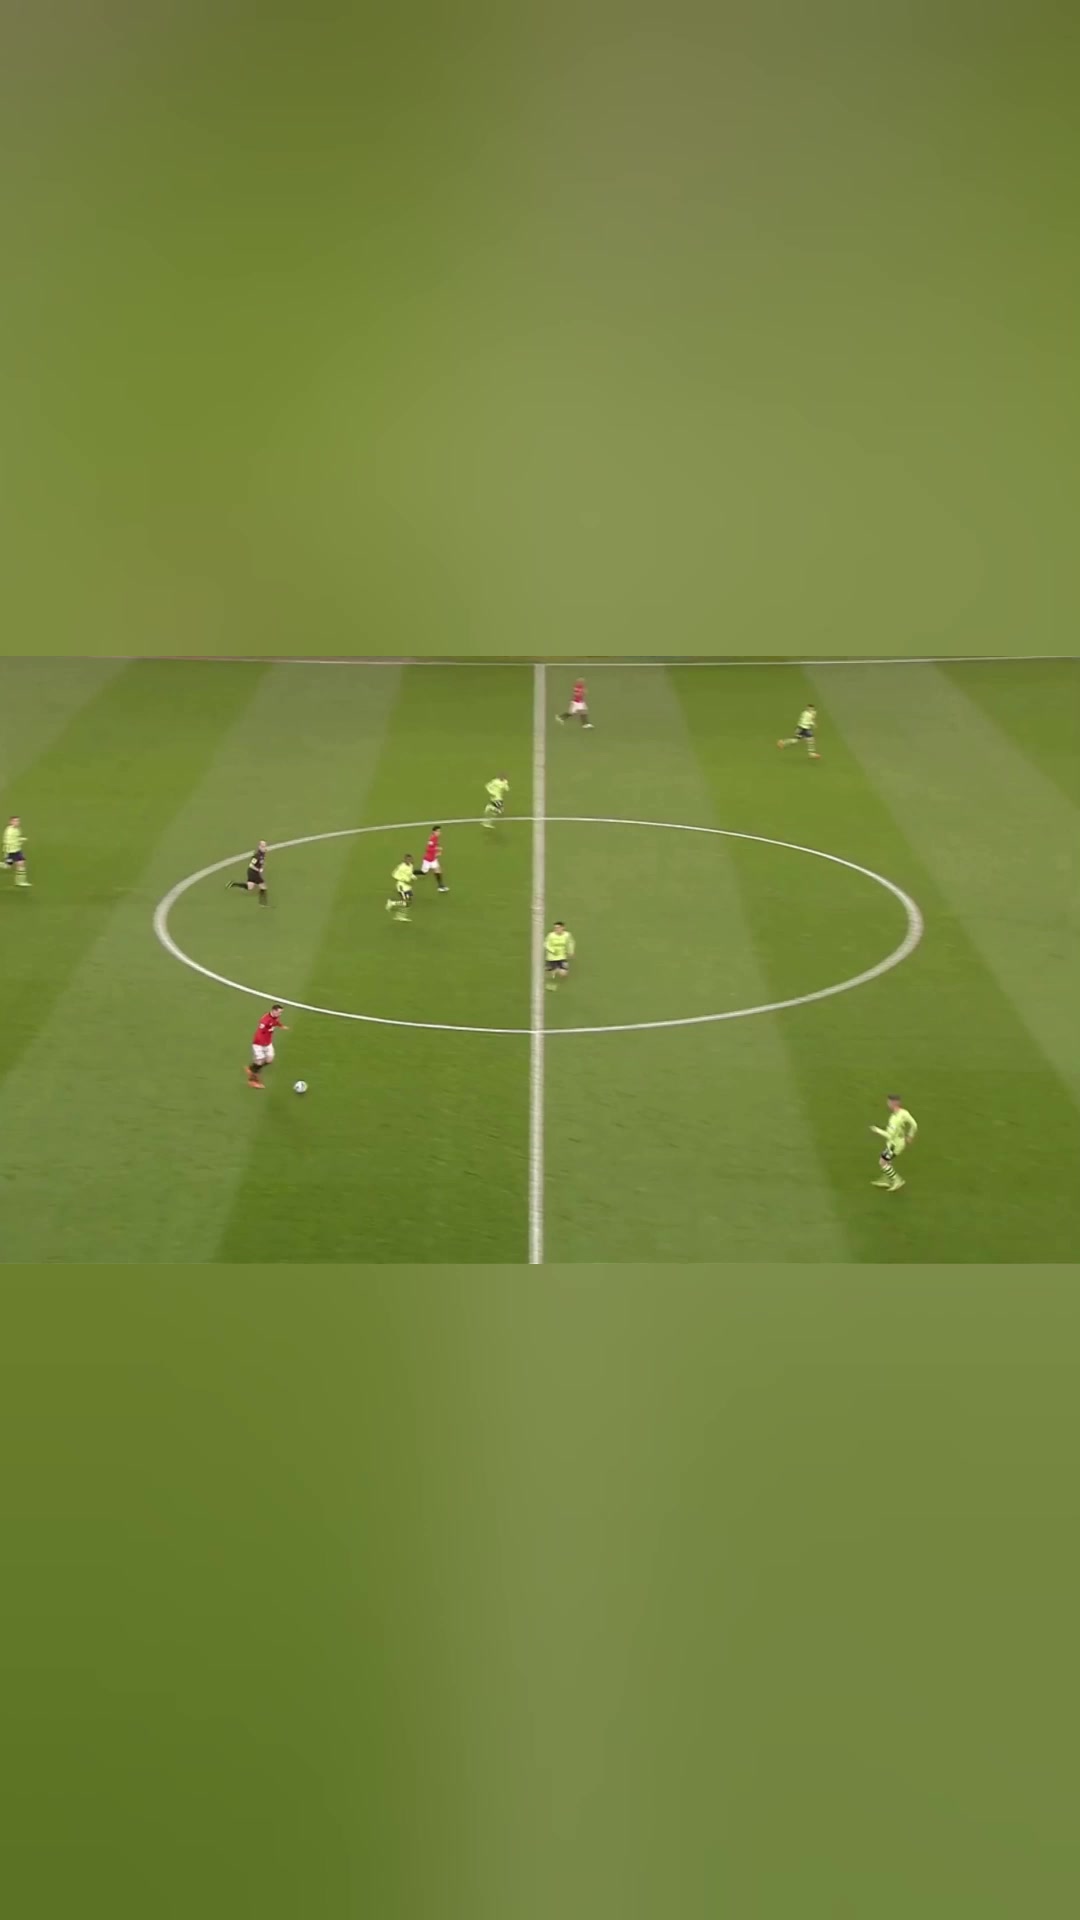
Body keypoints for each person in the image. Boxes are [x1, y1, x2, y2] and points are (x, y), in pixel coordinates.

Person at [870, 1095, 918, 1190]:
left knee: (883, 1162)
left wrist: (876, 1130)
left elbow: (889, 1135)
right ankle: (887, 1179)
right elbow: (914, 1124)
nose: (887, 1104)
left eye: (889, 1103)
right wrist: (910, 1135)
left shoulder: (895, 1120)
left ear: (894, 1103)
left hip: (894, 1145)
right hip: (900, 1142)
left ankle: (897, 1180)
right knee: (888, 1161)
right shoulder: (904, 1113)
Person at [247, 1004, 287, 1088]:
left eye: (281, 1012)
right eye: (279, 1012)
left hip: (268, 1043)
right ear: (274, 1011)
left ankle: (252, 1068)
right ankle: (252, 1080)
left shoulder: (275, 1017)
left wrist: (281, 1026)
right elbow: (259, 1032)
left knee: (269, 1060)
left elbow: (276, 1022)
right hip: (259, 1044)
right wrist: (261, 1043)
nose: (280, 1014)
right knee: (259, 1061)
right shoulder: (265, 1020)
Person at [544, 921, 576, 989]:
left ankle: (555, 970)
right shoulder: (551, 935)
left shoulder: (567, 935)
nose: (556, 929)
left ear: (563, 928)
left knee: (564, 974)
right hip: (551, 958)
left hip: (562, 957)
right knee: (548, 975)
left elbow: (571, 943)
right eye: (555, 928)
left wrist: (571, 951)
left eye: (558, 927)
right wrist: (553, 951)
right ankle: (550, 982)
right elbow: (546, 944)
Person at [3, 815, 30, 888]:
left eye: (18, 821)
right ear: (11, 822)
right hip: (11, 851)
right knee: (7, 866)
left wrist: (20, 839)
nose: (17, 822)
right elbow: (8, 842)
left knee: (21, 863)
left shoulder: (16, 829)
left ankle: (20, 882)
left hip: (17, 850)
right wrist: (20, 841)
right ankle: (20, 882)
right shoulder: (9, 832)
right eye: (15, 821)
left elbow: (16, 838)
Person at [419, 828, 448, 893]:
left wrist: (437, 853)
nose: (439, 832)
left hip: (433, 859)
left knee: (438, 870)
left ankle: (440, 886)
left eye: (440, 831)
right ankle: (410, 873)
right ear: (433, 831)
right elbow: (428, 849)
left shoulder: (436, 838)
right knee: (423, 872)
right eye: (437, 831)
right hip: (428, 860)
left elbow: (434, 846)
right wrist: (437, 849)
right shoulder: (432, 838)